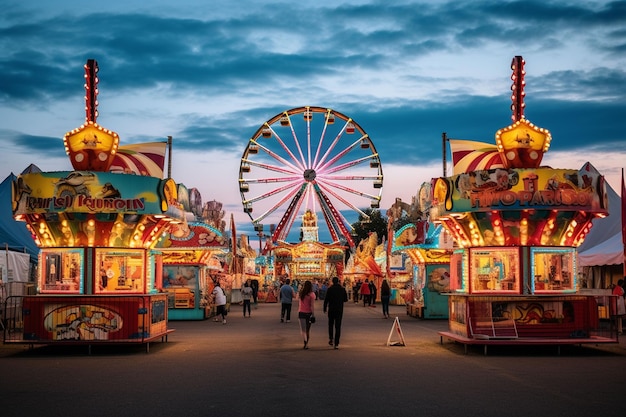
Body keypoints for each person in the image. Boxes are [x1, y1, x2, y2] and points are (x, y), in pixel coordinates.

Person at [323, 276, 348, 349]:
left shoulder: (330, 289)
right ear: (338, 281)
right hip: (339, 309)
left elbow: (326, 299)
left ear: (332, 281)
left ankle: (331, 338)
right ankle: (336, 343)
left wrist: (324, 308)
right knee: (338, 326)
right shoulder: (342, 289)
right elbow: (345, 299)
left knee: (330, 324)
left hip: (331, 309)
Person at [297, 280, 316, 349]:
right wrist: (313, 314)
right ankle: (306, 343)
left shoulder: (301, 293)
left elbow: (297, 298)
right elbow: (312, 306)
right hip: (309, 313)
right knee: (308, 330)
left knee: (303, 330)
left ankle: (305, 342)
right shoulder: (312, 294)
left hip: (301, 312)